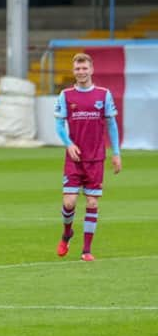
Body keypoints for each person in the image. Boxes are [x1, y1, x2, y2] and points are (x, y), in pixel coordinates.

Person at [54, 52, 122, 262]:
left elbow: (111, 125)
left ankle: (86, 250)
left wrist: (116, 153)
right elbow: (58, 124)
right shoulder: (66, 95)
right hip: (74, 159)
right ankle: (67, 233)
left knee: (92, 203)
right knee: (69, 202)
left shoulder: (104, 94)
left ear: (91, 69)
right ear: (73, 71)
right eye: (77, 69)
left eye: (84, 68)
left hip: (95, 158)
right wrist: (69, 144)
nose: (81, 72)